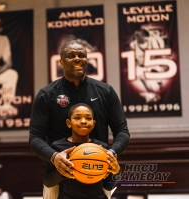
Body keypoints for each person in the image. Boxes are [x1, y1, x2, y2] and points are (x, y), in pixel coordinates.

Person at [29, 40, 130, 197]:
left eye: (81, 55)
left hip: (97, 170)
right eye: (71, 55)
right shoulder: (47, 95)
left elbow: (122, 131)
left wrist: (112, 152)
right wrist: (54, 157)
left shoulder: (106, 91)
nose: (77, 58)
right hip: (58, 174)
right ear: (61, 62)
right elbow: (35, 138)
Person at [43, 103, 120, 199]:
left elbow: (108, 186)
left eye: (88, 118)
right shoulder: (58, 147)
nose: (83, 121)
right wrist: (63, 171)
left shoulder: (102, 148)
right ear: (69, 123)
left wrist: (117, 172)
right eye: (77, 118)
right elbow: (48, 181)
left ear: (93, 124)